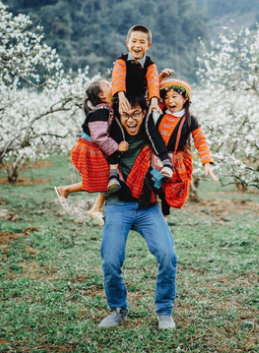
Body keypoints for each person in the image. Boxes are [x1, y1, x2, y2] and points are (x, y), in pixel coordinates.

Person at [98, 94, 178, 330]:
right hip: (117, 205)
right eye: (125, 114)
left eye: (136, 113)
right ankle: (118, 309)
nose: (130, 119)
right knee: (111, 260)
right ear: (118, 116)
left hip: (147, 206)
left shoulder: (153, 133)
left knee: (167, 255)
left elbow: (171, 103)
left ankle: (164, 311)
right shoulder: (110, 134)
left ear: (145, 113)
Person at [54, 79, 128, 226]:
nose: (112, 85)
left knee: (109, 178)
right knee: (109, 178)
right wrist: (116, 147)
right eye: (108, 85)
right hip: (87, 149)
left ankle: (92, 206)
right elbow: (99, 137)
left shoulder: (107, 109)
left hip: (89, 148)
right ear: (101, 94)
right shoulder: (101, 111)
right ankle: (67, 191)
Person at [111, 24, 173, 178]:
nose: (137, 45)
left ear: (148, 45)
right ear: (127, 43)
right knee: (115, 130)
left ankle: (166, 162)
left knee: (150, 128)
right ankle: (113, 171)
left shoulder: (150, 64)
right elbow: (118, 77)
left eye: (142, 42)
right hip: (122, 102)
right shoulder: (122, 60)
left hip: (140, 104)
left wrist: (153, 101)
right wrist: (121, 96)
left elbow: (152, 83)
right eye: (134, 41)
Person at [156, 78, 217, 219]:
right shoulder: (159, 114)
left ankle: (164, 218)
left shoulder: (190, 120)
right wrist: (161, 78)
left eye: (174, 97)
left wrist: (206, 163)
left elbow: (200, 140)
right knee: (152, 187)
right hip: (156, 158)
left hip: (176, 162)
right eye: (166, 97)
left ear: (185, 99)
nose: (170, 101)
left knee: (169, 189)